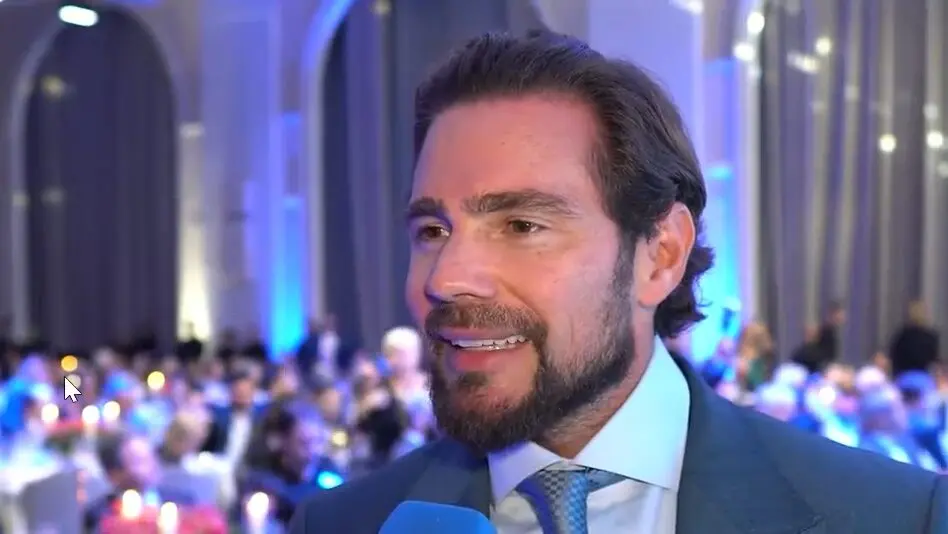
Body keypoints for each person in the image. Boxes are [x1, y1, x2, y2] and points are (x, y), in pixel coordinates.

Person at [290, 31, 947, 534]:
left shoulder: (894, 516)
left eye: (521, 225)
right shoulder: (345, 525)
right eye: (433, 230)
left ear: (660, 255)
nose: (448, 278)